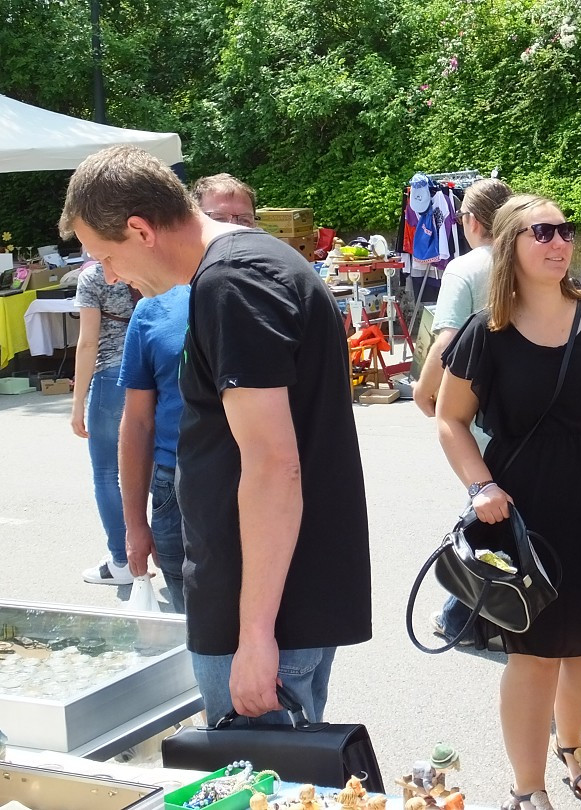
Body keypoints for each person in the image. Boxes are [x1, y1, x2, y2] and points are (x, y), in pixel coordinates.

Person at [59, 145, 371, 725]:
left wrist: (253, 634)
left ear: (139, 229)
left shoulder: (233, 282)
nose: (108, 275)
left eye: (104, 256)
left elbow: (274, 465)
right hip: (267, 593)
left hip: (269, 608)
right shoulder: (245, 266)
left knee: (259, 779)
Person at [436, 194, 581, 810]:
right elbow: (449, 419)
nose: (559, 242)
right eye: (542, 232)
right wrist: (480, 487)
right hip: (517, 507)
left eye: (565, 231)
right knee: (532, 653)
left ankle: (571, 742)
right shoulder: (487, 331)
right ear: (510, 246)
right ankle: (527, 787)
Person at [117, 174, 257, 613]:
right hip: (174, 482)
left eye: (245, 219)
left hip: (256, 477)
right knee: (191, 618)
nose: (234, 227)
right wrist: (135, 523)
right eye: (221, 217)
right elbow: (137, 421)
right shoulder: (152, 309)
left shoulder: (268, 296)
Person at [412, 177, 513, 647]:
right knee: (501, 508)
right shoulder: (530, 258)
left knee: (482, 511)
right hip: (530, 403)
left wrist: (424, 389)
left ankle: (462, 618)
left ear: (470, 222)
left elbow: (446, 338)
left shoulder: (467, 268)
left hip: (482, 405)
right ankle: (477, 616)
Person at [73, 258, 137, 585]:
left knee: (107, 472)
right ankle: (171, 553)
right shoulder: (145, 263)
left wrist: (77, 402)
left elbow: (87, 343)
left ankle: (122, 561)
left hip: (111, 375)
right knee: (163, 470)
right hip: (153, 371)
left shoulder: (94, 276)